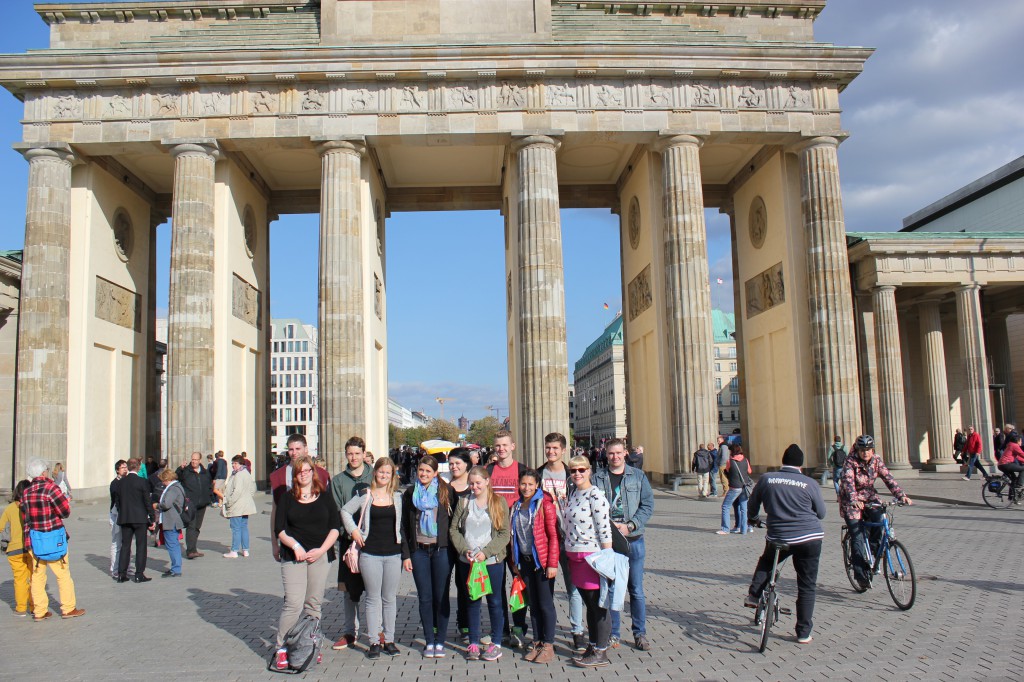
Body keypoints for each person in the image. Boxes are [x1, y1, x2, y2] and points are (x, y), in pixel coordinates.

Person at [744, 444, 826, 644]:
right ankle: (803, 632)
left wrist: (753, 518)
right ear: (801, 464)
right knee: (807, 585)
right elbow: (821, 513)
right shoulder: (809, 483)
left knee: (767, 561)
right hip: (809, 538)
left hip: (780, 536)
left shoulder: (767, 479)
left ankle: (754, 595)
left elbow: (753, 504)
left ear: (783, 461)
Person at [273, 455, 341, 671]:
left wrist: (321, 550)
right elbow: (280, 529)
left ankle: (310, 644)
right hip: (294, 556)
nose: (303, 474)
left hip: (320, 557)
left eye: (307, 470)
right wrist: (296, 547)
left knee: (313, 604)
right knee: (293, 603)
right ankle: (281, 647)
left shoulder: (324, 497)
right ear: (295, 475)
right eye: (299, 471)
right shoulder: (286, 498)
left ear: (313, 472)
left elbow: (335, 527)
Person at [593, 438, 654, 651]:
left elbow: (647, 505)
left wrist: (630, 525)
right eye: (611, 453)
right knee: (611, 590)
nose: (615, 457)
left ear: (625, 453)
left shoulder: (638, 476)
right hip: (608, 543)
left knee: (635, 589)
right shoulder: (597, 478)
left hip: (633, 539)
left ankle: (640, 633)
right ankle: (613, 634)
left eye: (618, 453)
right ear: (606, 454)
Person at [342, 457, 405, 659]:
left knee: (389, 598)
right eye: (381, 472)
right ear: (375, 473)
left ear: (392, 475)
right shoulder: (365, 495)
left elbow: (401, 527)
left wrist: (405, 554)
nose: (384, 475)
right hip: (370, 554)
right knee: (372, 598)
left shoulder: (397, 497)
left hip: (393, 553)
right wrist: (354, 531)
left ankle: (389, 639)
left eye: (388, 472)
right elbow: (344, 511)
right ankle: (374, 642)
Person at [450, 465, 510, 662]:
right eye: (471, 483)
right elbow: (454, 530)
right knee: (472, 601)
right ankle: (473, 642)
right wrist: (464, 549)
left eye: (478, 483)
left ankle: (496, 642)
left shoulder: (498, 502)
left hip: (491, 561)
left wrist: (486, 553)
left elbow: (504, 533)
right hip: (468, 560)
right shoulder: (464, 501)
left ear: (487, 481)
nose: (474, 487)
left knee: (494, 602)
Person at [838, 434, 913, 590]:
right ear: (857, 450)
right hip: (851, 500)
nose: (866, 453)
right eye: (863, 450)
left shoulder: (876, 460)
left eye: (869, 450)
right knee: (857, 536)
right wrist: (854, 500)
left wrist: (901, 495)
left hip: (869, 496)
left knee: (880, 519)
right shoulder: (850, 462)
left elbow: (888, 478)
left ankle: (873, 550)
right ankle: (860, 575)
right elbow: (847, 483)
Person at [562, 455, 613, 667]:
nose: (577, 474)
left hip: (591, 557)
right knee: (589, 605)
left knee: (597, 605)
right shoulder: (573, 493)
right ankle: (593, 645)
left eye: (581, 470)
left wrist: (607, 557)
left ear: (589, 471)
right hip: (574, 555)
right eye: (573, 471)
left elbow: (604, 528)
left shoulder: (595, 495)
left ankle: (601, 651)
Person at [401, 455, 454, 658]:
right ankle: (429, 641)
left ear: (435, 473)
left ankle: (440, 640)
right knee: (425, 597)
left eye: (427, 471)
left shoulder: (446, 492)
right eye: (421, 470)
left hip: (441, 551)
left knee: (441, 597)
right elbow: (404, 526)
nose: (423, 474)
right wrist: (406, 554)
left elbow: (453, 521)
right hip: (419, 551)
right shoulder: (410, 493)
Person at [21, 458, 85, 621]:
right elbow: (65, 511)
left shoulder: (26, 492)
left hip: (34, 539)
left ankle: (40, 611)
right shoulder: (51, 488)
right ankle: (68, 608)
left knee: (37, 575)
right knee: (62, 574)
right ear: (44, 472)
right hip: (53, 536)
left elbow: (24, 516)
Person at [539, 432, 585, 651]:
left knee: (573, 587)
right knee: (543, 589)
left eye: (555, 448)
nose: (551, 452)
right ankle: (544, 631)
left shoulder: (573, 475)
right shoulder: (538, 474)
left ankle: (577, 630)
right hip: (545, 539)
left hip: (570, 537)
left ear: (563, 450)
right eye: (548, 448)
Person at [510, 469, 560, 664]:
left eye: (531, 484)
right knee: (533, 605)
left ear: (537, 485)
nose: (527, 488)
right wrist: (515, 561)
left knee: (545, 604)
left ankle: (548, 644)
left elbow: (553, 536)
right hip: (525, 561)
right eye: (523, 484)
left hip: (542, 562)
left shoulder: (544, 505)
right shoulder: (516, 505)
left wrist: (552, 563)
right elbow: (514, 537)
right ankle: (537, 641)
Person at [328, 435, 372, 651]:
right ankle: (350, 632)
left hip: (373, 541)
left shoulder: (375, 475)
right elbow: (336, 510)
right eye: (350, 453)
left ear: (364, 454)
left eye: (357, 453)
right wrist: (350, 531)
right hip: (349, 541)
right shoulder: (338, 481)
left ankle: (378, 631)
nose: (354, 457)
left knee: (375, 589)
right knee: (349, 591)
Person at [487, 430, 530, 648]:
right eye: (497, 446)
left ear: (513, 446)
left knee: (518, 582)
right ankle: (501, 629)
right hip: (494, 536)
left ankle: (520, 627)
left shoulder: (523, 471)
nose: (501, 449)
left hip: (516, 537)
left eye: (505, 445)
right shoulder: (489, 471)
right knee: (496, 586)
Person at [446, 448, 473, 643]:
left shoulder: (474, 486)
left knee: (466, 585)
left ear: (467, 464)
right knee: (444, 584)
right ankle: (440, 623)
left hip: (469, 544)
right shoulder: (444, 486)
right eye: (451, 464)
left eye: (458, 463)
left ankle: (465, 624)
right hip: (447, 543)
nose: (454, 467)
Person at [116, 458, 156, 583]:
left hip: (125, 517)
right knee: (141, 546)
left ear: (128, 467)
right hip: (140, 518)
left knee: (125, 546)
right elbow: (147, 501)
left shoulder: (121, 482)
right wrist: (152, 517)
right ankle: (139, 574)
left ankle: (121, 574)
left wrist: (122, 511)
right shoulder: (142, 482)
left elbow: (117, 501)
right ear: (138, 467)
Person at [1, 480, 33, 616]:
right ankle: (34, 606)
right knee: (33, 577)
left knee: (19, 579)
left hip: (14, 550)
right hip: (31, 547)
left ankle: (20, 608)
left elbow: (1, 527)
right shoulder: (31, 506)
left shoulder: (9, 509)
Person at [177, 452, 213, 559]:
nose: (194, 461)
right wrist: (180, 469)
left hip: (202, 504)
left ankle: (193, 548)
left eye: (196, 459)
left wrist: (209, 497)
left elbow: (209, 485)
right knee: (191, 526)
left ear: (200, 461)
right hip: (190, 504)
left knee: (197, 527)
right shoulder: (185, 471)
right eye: (192, 459)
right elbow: (176, 478)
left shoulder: (205, 472)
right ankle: (190, 551)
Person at [223, 454, 258, 558]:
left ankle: (234, 550)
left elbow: (236, 491)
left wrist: (229, 502)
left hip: (237, 505)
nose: (233, 465)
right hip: (246, 505)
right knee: (243, 527)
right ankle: (245, 550)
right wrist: (248, 497)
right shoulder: (246, 472)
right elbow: (253, 487)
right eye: (232, 463)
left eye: (235, 463)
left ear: (241, 464)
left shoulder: (238, 475)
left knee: (236, 528)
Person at [156, 468, 185, 577]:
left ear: (167, 479)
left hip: (170, 520)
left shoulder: (173, 489)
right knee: (173, 544)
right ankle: (175, 566)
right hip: (172, 519)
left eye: (163, 480)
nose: (162, 483)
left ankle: (176, 569)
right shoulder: (176, 487)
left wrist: (157, 505)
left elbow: (166, 504)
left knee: (172, 545)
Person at [718, 445, 752, 535]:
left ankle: (725, 529)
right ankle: (743, 529)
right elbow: (750, 471)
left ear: (732, 451)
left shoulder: (730, 461)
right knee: (744, 509)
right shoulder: (746, 460)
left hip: (735, 487)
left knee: (725, 506)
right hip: (744, 487)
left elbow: (727, 471)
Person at [109, 460, 128, 577]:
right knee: (116, 542)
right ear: (117, 470)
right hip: (116, 514)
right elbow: (116, 500)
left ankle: (126, 566)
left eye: (126, 467)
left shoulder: (127, 481)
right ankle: (114, 568)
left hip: (126, 514)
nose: (125, 469)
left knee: (126, 542)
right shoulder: (115, 483)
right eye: (122, 468)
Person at [996, 431, 1024, 503]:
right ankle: (1019, 484)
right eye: (1020, 441)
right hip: (1006, 464)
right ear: (1017, 441)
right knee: (1022, 469)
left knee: (1013, 480)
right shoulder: (1015, 445)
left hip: (1002, 464)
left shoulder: (1011, 445)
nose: (1021, 442)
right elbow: (1022, 454)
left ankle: (1012, 497)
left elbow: (1018, 457)